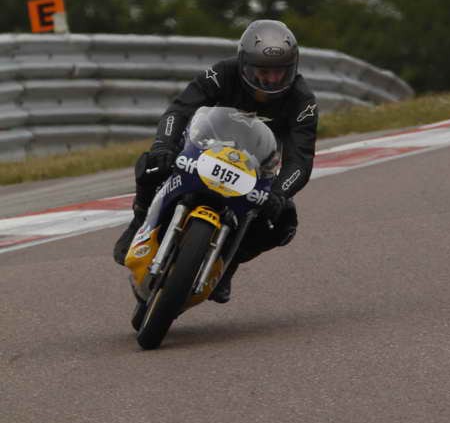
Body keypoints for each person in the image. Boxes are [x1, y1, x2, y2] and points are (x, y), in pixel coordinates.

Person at [113, 19, 318, 303]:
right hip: (202, 148)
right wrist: (164, 145)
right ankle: (139, 221)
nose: (271, 80)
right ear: (244, 64)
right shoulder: (222, 73)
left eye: (279, 72)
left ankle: (227, 263)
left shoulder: (303, 101)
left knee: (283, 221)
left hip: (255, 168)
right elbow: (179, 109)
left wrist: (279, 193)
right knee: (152, 162)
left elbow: (301, 160)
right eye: (263, 72)